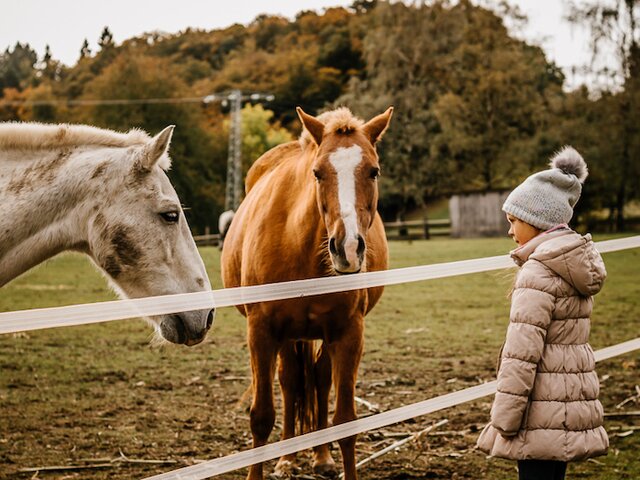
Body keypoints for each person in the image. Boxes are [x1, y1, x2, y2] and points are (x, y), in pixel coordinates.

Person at [476, 146, 608, 480]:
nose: (510, 231)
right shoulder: (573, 264)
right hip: (564, 404)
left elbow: (522, 354)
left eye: (513, 220)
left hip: (538, 410)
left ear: (535, 220)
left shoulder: (539, 273)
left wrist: (505, 418)